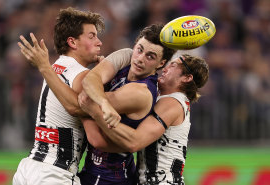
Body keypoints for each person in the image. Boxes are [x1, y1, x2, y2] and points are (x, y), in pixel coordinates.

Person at [18, 23, 176, 185]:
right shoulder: (126, 56)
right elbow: (91, 80)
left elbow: (86, 109)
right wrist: (101, 102)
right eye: (140, 49)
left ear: (161, 64)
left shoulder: (141, 92)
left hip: (112, 178)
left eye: (150, 56)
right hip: (90, 171)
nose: (140, 58)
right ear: (135, 45)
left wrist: (46, 68)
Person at [78, 54, 209, 185]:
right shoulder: (169, 100)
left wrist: (93, 110)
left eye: (173, 65)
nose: (164, 69)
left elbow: (134, 142)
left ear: (187, 77)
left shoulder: (172, 102)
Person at [13, 7, 105, 185]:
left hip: (28, 168)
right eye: (92, 36)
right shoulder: (83, 75)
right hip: (56, 174)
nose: (99, 42)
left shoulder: (56, 66)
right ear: (73, 42)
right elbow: (77, 108)